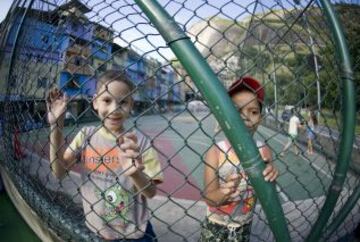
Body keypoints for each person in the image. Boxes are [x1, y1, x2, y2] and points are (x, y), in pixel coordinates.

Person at [47, 70, 163, 241]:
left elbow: (151, 192)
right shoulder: (85, 135)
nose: (114, 109)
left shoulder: (140, 143)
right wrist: (56, 126)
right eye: (107, 100)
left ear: (131, 105)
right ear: (95, 102)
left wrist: (135, 174)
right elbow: (59, 172)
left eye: (123, 102)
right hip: (96, 229)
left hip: (133, 233)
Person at [200, 76, 279, 242]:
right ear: (225, 116)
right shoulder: (215, 153)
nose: (245, 117)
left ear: (260, 119)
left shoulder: (263, 151)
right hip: (216, 224)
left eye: (254, 112)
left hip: (245, 224)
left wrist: (271, 176)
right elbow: (209, 197)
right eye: (237, 111)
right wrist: (223, 193)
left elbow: (268, 190)